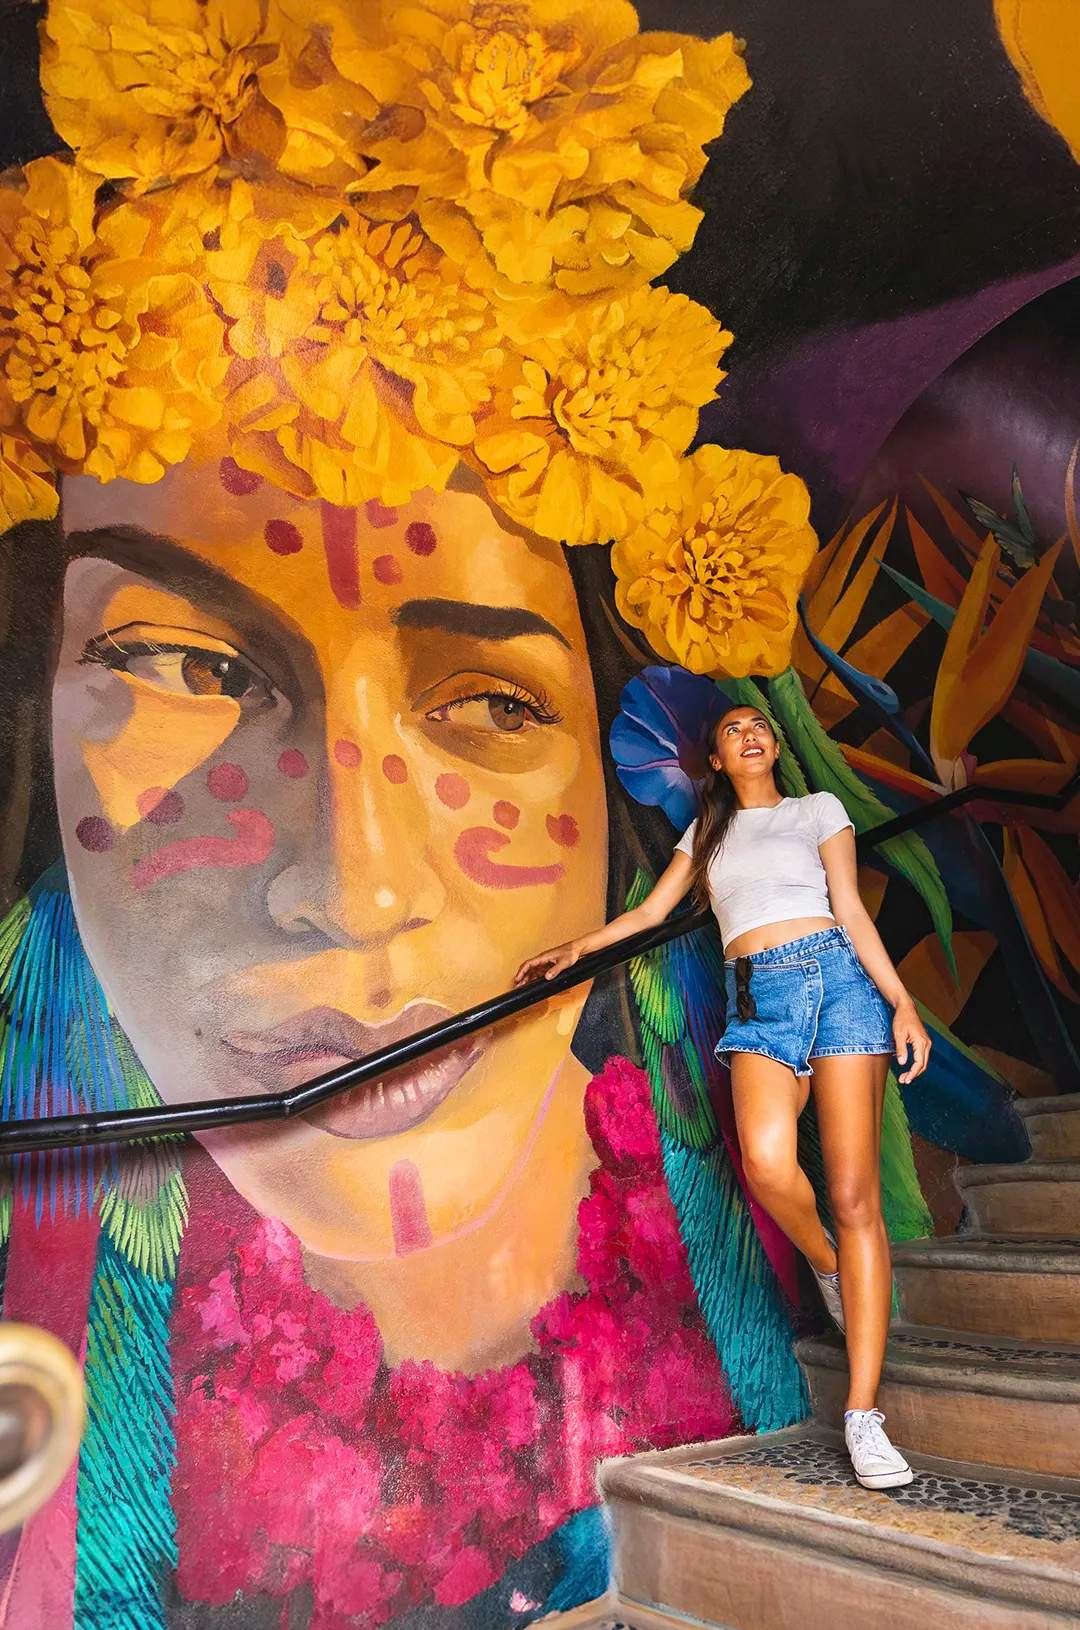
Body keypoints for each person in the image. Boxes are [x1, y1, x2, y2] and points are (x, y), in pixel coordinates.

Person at [515, 701, 933, 1491]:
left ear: (775, 747)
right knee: (769, 1166)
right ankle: (833, 1269)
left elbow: (849, 909)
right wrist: (579, 945)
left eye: (761, 727)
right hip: (758, 1000)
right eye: (734, 728)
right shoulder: (705, 837)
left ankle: (863, 1414)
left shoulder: (819, 809)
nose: (751, 733)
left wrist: (901, 1001)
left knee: (854, 1195)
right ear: (714, 758)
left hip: (840, 985)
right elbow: (648, 913)